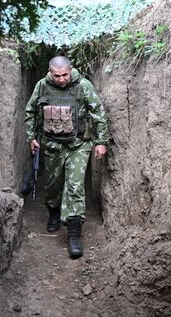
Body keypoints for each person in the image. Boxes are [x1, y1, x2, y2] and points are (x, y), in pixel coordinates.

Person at [24, 56, 109, 259]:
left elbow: (97, 112)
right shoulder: (42, 86)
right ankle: (53, 212)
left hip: (78, 145)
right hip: (51, 144)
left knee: (75, 186)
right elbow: (30, 111)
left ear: (71, 70)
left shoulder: (83, 85)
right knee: (53, 184)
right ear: (50, 72)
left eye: (65, 75)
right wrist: (30, 137)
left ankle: (74, 233)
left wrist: (101, 141)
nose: (61, 79)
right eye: (57, 76)